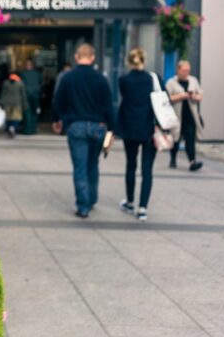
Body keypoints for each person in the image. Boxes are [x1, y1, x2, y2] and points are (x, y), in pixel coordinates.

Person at [53, 44, 114, 218]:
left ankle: (83, 205)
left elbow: (58, 101)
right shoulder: (101, 79)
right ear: (93, 57)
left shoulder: (68, 78)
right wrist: (112, 128)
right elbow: (108, 106)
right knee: (92, 163)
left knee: (79, 166)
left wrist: (58, 120)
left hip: (76, 126)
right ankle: (92, 198)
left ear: (76, 57)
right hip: (98, 127)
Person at [115, 48, 158, 221]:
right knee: (147, 169)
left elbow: (125, 98)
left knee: (131, 165)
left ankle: (130, 201)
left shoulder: (123, 80)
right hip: (149, 129)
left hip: (130, 128)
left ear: (128, 62)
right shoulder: (152, 79)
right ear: (144, 60)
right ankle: (143, 208)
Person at [166, 60, 204, 171]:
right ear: (178, 70)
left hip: (190, 116)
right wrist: (182, 96)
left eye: (188, 70)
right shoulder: (171, 82)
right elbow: (168, 98)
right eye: (184, 70)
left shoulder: (193, 81)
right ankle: (173, 159)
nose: (186, 72)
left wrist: (194, 96)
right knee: (175, 138)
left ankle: (192, 161)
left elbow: (200, 96)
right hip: (177, 116)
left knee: (190, 139)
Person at [0, 73, 27, 138]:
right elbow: (23, 95)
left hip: (7, 103)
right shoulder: (20, 84)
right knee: (16, 118)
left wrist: (0, 102)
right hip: (17, 104)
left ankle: (9, 129)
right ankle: (13, 128)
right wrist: (25, 105)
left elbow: (3, 94)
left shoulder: (6, 83)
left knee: (8, 117)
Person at [20, 60, 42, 135]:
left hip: (26, 95)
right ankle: (33, 128)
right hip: (35, 95)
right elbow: (41, 84)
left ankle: (27, 129)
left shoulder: (22, 74)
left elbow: (20, 85)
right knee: (34, 112)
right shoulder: (37, 74)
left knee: (27, 112)